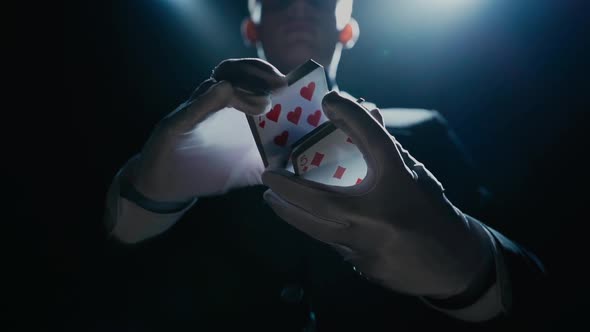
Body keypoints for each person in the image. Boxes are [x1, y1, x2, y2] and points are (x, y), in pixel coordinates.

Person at [103, 0, 545, 330]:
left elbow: (537, 276)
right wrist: (146, 192)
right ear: (250, 27)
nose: (298, 5)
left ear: (348, 28)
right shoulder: (187, 132)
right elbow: (100, 268)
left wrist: (468, 262)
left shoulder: (423, 128)